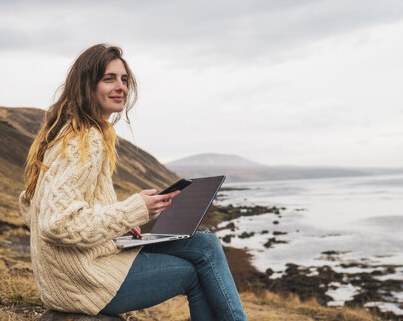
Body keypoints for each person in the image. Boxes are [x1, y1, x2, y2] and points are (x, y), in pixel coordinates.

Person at [19, 43, 247, 321]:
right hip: (82, 281)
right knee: (193, 272)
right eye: (109, 79)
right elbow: (56, 224)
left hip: (72, 273)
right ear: (86, 84)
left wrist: (118, 228)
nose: (121, 87)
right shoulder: (84, 140)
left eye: (124, 80)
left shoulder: (70, 132)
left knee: (205, 245)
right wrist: (131, 210)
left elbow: (32, 205)